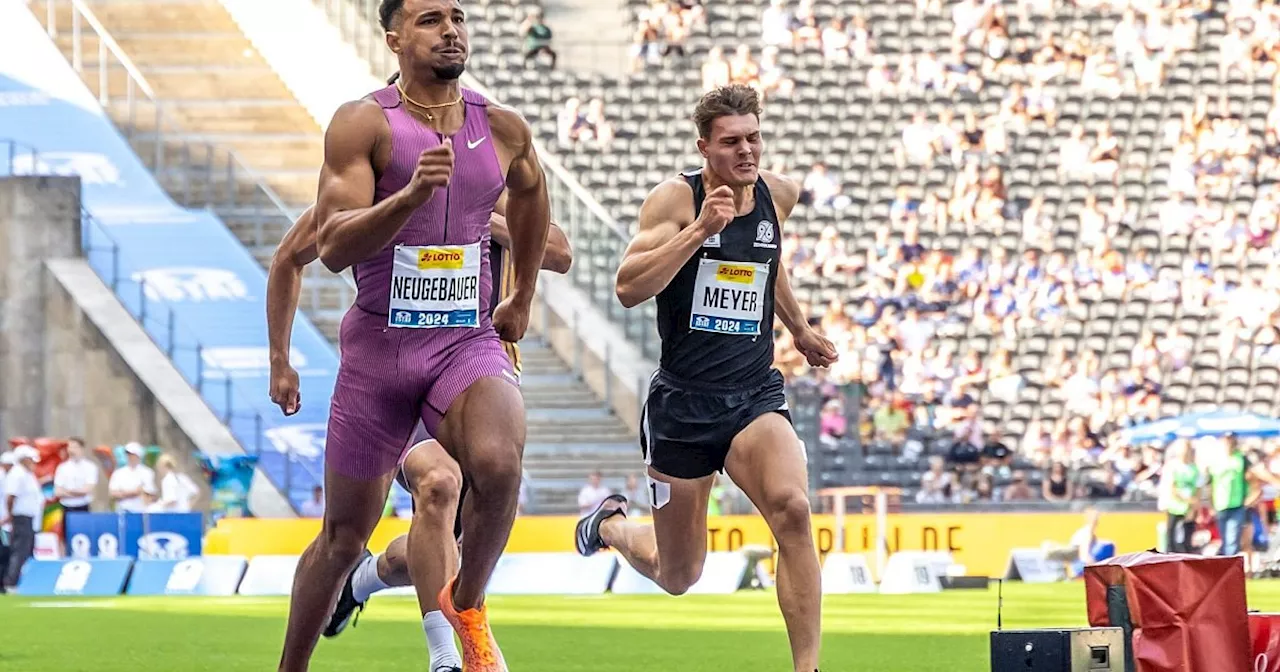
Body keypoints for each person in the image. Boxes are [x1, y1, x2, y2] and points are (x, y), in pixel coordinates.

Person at [277, 1, 553, 667]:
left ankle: (467, 608)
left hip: (463, 343)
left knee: (497, 463)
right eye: (431, 18)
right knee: (343, 539)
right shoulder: (364, 123)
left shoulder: (503, 127)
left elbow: (536, 196)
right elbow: (332, 246)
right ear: (394, 37)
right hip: (379, 352)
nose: (451, 28)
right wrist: (406, 200)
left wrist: (520, 295)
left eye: (458, 15)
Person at [576, 84, 837, 672]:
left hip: (753, 394)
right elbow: (627, 287)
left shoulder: (778, 195)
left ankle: (808, 666)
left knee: (793, 510)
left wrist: (799, 327)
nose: (746, 151)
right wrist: (698, 230)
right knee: (678, 575)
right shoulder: (674, 200)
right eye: (731, 142)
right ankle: (613, 527)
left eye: (753, 138)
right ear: (704, 147)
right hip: (683, 405)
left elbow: (767, 266)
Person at [2, 446, 43, 591]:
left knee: (28, 550)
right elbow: (10, 497)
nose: (34, 463)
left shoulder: (27, 474)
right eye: (31, 460)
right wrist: (11, 516)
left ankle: (26, 581)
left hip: (29, 518)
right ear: (23, 459)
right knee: (19, 550)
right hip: (20, 518)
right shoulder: (17, 474)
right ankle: (10, 582)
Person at [1157, 439, 1199, 553]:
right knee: (1171, 540)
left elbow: (1197, 489)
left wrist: (1193, 506)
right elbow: (1172, 487)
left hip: (1188, 509)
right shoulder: (1172, 467)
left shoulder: (1194, 469)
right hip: (1174, 507)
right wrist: (1188, 500)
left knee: (1186, 541)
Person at [54, 437, 99, 520]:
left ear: (82, 449)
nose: (71, 450)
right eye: (69, 447)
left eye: (75, 447)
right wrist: (76, 492)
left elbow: (87, 490)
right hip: (66, 507)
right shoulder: (62, 467)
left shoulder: (90, 467)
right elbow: (58, 492)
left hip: (83, 507)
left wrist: (68, 491)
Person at [108, 443, 156, 512]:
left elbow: (149, 494)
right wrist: (133, 492)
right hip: (122, 511)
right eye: (128, 454)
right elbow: (113, 493)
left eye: (132, 454)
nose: (129, 456)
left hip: (141, 512)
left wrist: (123, 493)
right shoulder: (118, 473)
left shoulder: (147, 472)